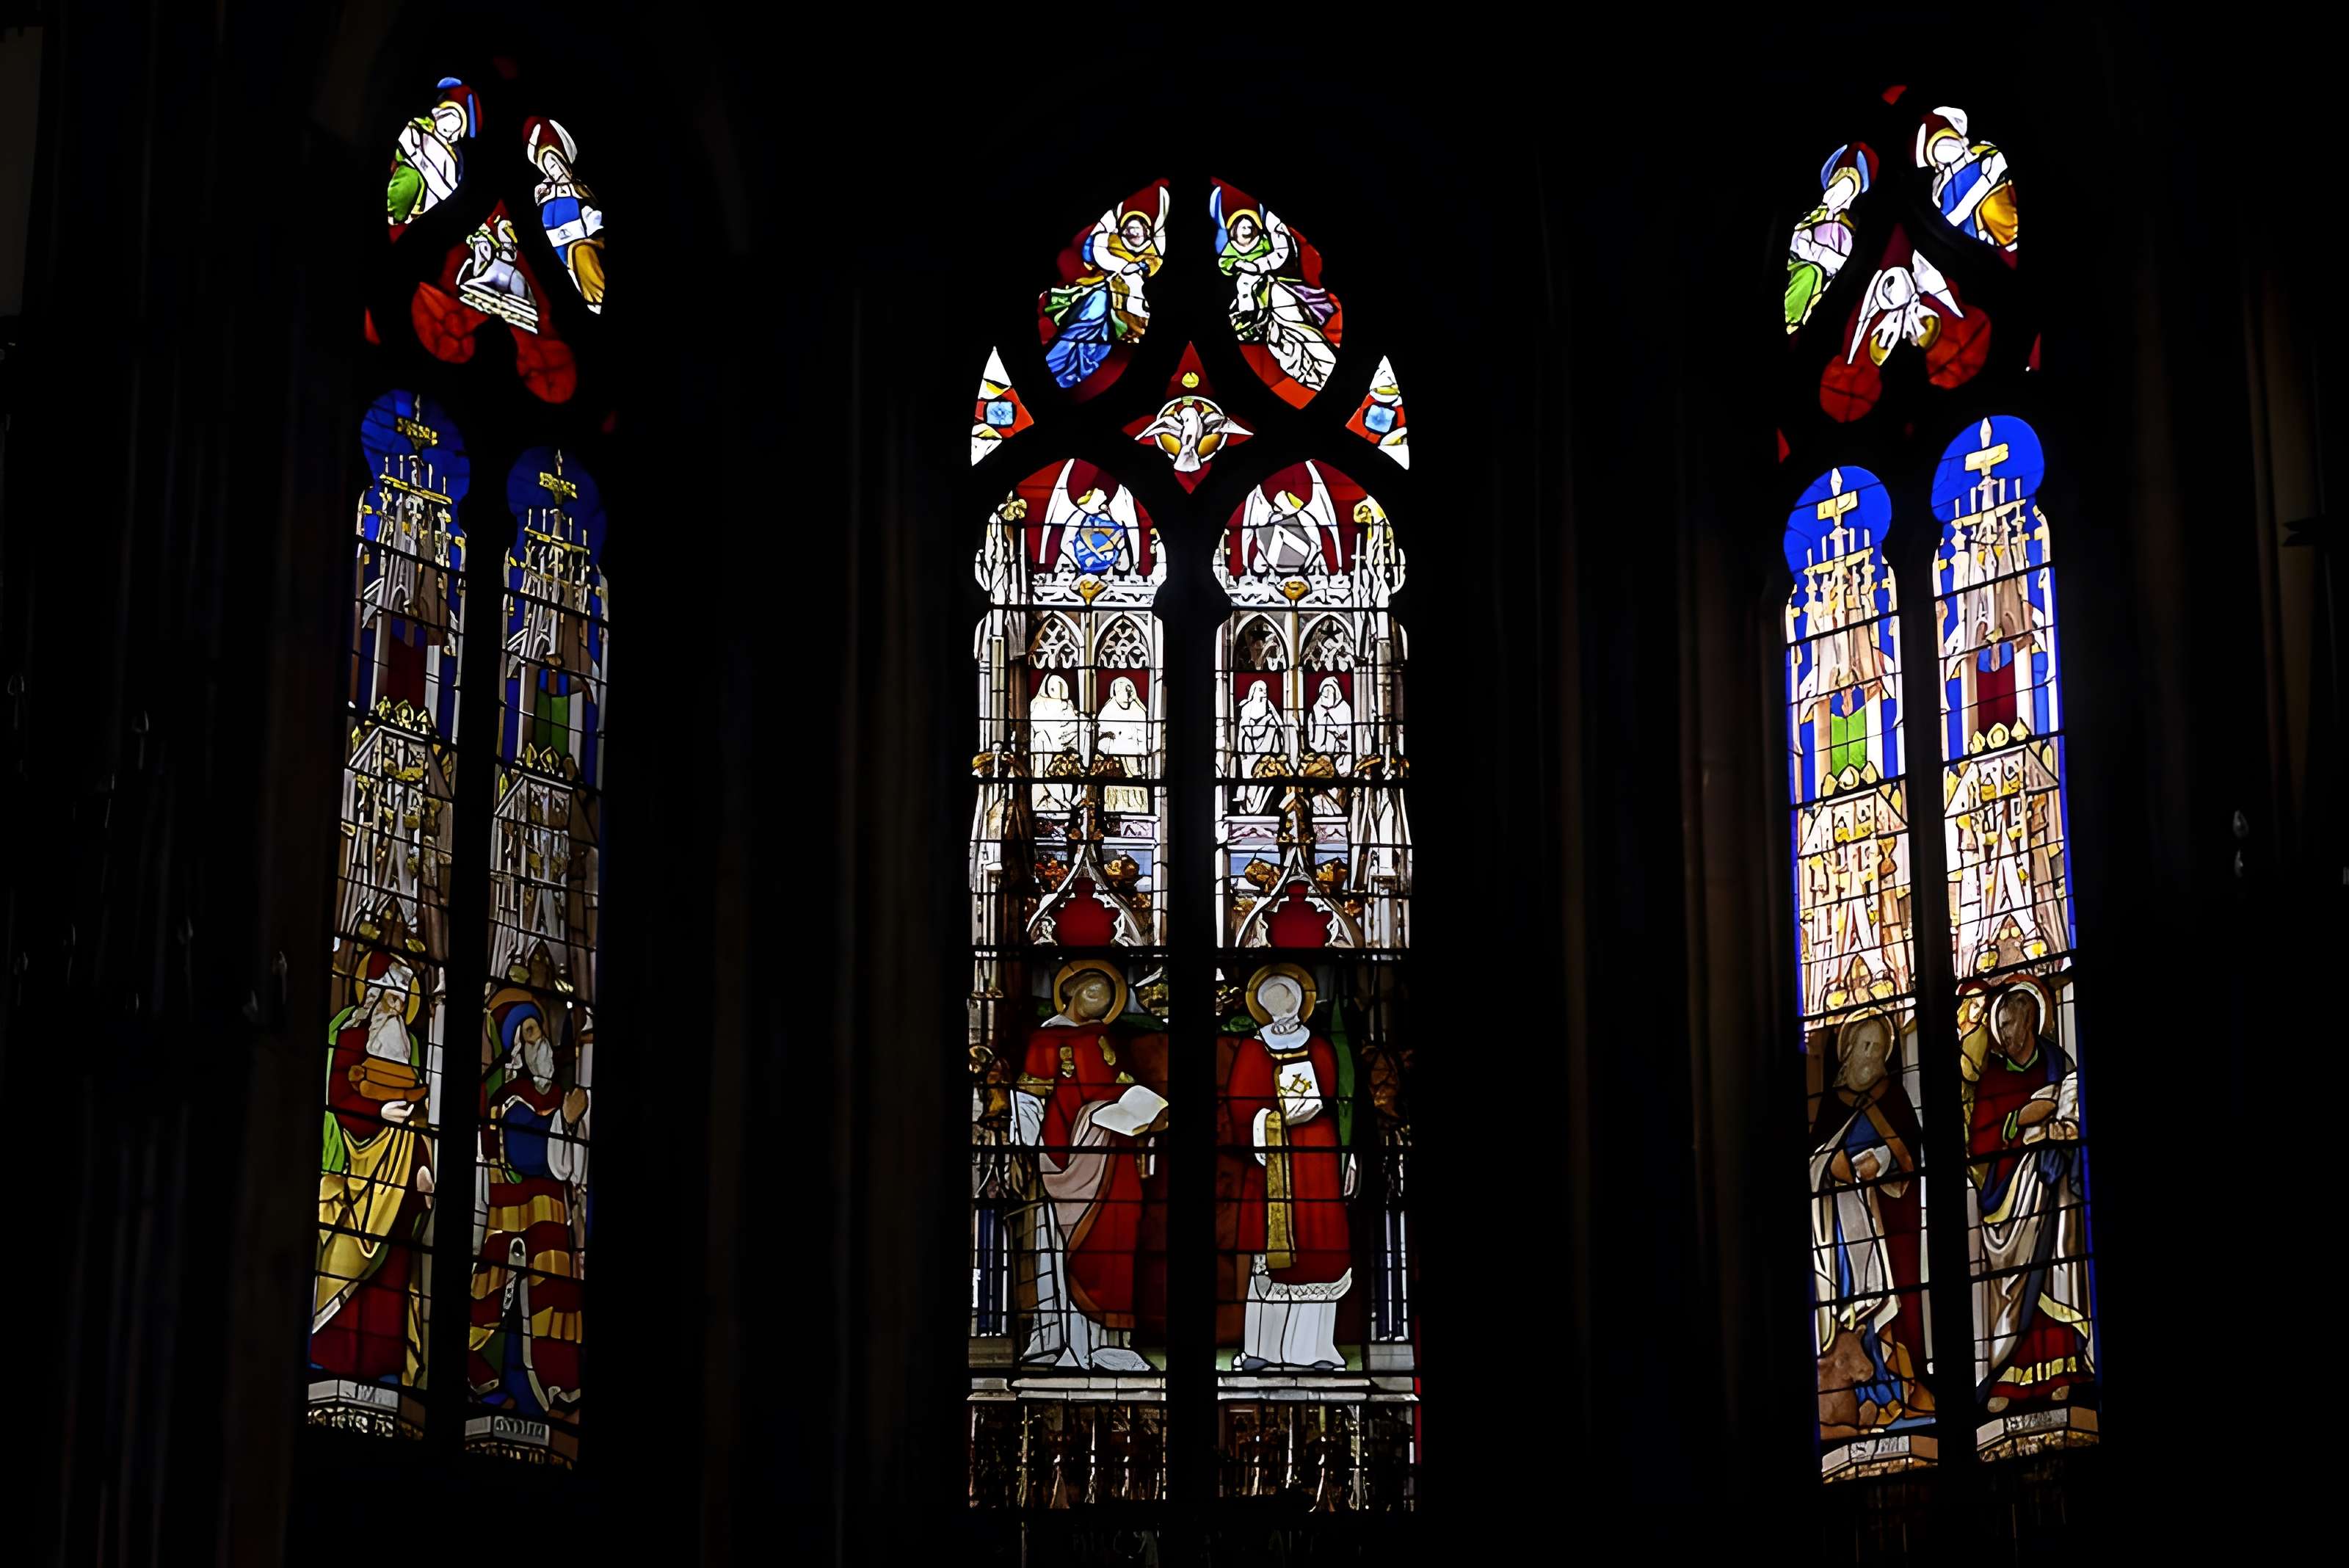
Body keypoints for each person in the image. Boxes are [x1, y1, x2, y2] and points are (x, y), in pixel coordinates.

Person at [1012, 964, 1164, 1371]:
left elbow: (1118, 1087)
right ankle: (1071, 1343)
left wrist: (1145, 1117)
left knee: (1116, 1242)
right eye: (1093, 991)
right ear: (1072, 993)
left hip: (1115, 1159)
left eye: (1108, 995)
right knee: (1072, 1245)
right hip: (1071, 1156)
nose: (1101, 1001)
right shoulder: (1048, 1038)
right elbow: (1030, 1100)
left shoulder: (1103, 1038)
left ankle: (1111, 1344)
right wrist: (1025, 1150)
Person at [1961, 976, 2092, 1412]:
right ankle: (2008, 1379)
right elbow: (1978, 1142)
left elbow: (2075, 1119)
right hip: (2008, 1201)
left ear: (2033, 1020)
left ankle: (2063, 1368)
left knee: (2053, 1272)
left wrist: (2058, 1128)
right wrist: (2018, 1120)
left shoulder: (2059, 1066)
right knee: (2012, 1291)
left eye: (2012, 1022)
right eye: (2001, 1024)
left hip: (2053, 1192)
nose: (2006, 1033)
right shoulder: (1993, 1079)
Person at [312, 953, 435, 1388]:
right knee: (344, 1250)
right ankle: (330, 1360)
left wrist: (423, 1165)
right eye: (389, 998)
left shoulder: (412, 1048)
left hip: (400, 1165)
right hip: (351, 1158)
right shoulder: (348, 1037)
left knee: (396, 1258)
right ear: (373, 995)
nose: (397, 1008)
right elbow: (335, 1095)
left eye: (403, 1001)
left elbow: (422, 1113)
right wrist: (379, 1110)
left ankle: (385, 1365)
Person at [468, 990, 590, 1424]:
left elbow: (574, 1167)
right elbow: (526, 1154)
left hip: (553, 1221)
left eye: (537, 1030)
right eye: (528, 1033)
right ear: (516, 1046)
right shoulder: (511, 1098)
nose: (537, 1042)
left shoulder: (559, 1096)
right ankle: (518, 1393)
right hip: (517, 1224)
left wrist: (572, 1121)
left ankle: (557, 1393)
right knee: (518, 1308)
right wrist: (567, 1122)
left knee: (556, 1305)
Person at [1224, 967, 1354, 1371]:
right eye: (1273, 1000)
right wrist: (1275, 1119)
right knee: (1272, 1255)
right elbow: (1240, 1106)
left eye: (1289, 998)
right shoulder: (1252, 1049)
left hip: (1317, 1157)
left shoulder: (1319, 1046)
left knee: (1321, 1249)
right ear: (1261, 1005)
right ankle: (1262, 1349)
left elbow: (1333, 1096)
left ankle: (1313, 1350)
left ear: (1301, 1001)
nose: (1282, 1007)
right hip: (1273, 1162)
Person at [1808, 1012, 1930, 1437]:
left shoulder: (1891, 1097)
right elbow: (1814, 1160)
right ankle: (1857, 1398)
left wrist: (1885, 1161)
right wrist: (1833, 1166)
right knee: (1851, 1308)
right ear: (1846, 1054)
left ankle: (1891, 1389)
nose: (1871, 1057)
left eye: (1879, 1049)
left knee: (1882, 1301)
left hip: (1879, 1219)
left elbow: (1909, 1158)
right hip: (1836, 1228)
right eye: (1864, 1047)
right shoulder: (1831, 1104)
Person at [1215, 194, 1339, 396]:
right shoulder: (1231, 251)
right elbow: (1225, 265)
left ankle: (1327, 373)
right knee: (1280, 346)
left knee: (1299, 330)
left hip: (1275, 292)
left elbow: (1280, 256)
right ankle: (1311, 376)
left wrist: (1256, 266)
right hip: (1252, 305)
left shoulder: (1266, 244)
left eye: (1249, 226)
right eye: (1241, 227)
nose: (1246, 230)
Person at [1042, 197, 1163, 388]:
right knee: (1087, 323)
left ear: (1147, 232)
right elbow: (1093, 250)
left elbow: (1153, 265)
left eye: (1138, 229)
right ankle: (1061, 366)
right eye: (1129, 229)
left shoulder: (1151, 254)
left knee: (1101, 337)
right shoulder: (1110, 245)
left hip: (1136, 309)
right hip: (1105, 295)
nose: (1133, 232)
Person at [1786, 144, 1873, 334]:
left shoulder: (1850, 227)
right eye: (1838, 183)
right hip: (1800, 266)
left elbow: (1845, 258)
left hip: (1829, 277)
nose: (1840, 192)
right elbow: (1796, 240)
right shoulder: (1812, 216)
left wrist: (1827, 261)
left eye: (1848, 188)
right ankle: (1790, 321)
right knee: (1809, 273)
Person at [523, 117, 605, 312]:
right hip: (554, 251)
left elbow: (591, 215)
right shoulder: (543, 195)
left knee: (580, 252)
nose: (554, 169)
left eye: (555, 162)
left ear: (563, 159)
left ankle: (595, 301)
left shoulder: (579, 190)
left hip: (580, 244)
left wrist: (594, 230)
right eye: (548, 165)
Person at [1916, 106, 2017, 252]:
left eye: (1947, 139)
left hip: (2007, 192)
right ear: (1937, 164)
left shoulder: (1981, 150)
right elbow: (1952, 218)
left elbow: (2001, 161)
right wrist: (1987, 180)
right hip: (1986, 224)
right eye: (1937, 148)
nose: (1947, 147)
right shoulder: (1943, 189)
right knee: (1990, 208)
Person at [386, 79, 477, 230]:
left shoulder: (452, 162)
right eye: (447, 112)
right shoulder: (421, 125)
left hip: (415, 202)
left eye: (455, 120)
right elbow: (404, 139)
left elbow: (445, 188)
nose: (449, 122)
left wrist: (417, 158)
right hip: (393, 170)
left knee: (410, 180)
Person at [1234, 678, 1288, 813]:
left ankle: (1260, 808)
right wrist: (1267, 719)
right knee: (1249, 778)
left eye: (1265, 690)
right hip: (1249, 749)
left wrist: (1286, 737)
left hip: (1266, 750)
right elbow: (1245, 728)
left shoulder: (1268, 705)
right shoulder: (1247, 707)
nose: (1264, 692)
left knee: (1264, 778)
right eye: (1260, 690)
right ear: (1254, 692)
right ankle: (1248, 806)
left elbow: (1280, 724)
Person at [1028, 673, 1079, 814]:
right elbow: (1036, 726)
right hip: (1044, 749)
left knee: (1064, 780)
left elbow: (1073, 727)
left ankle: (1065, 804)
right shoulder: (1037, 704)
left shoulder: (1068, 706)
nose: (1056, 692)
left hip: (1063, 754)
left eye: (1059, 688)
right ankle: (1049, 804)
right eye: (1053, 688)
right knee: (1043, 777)